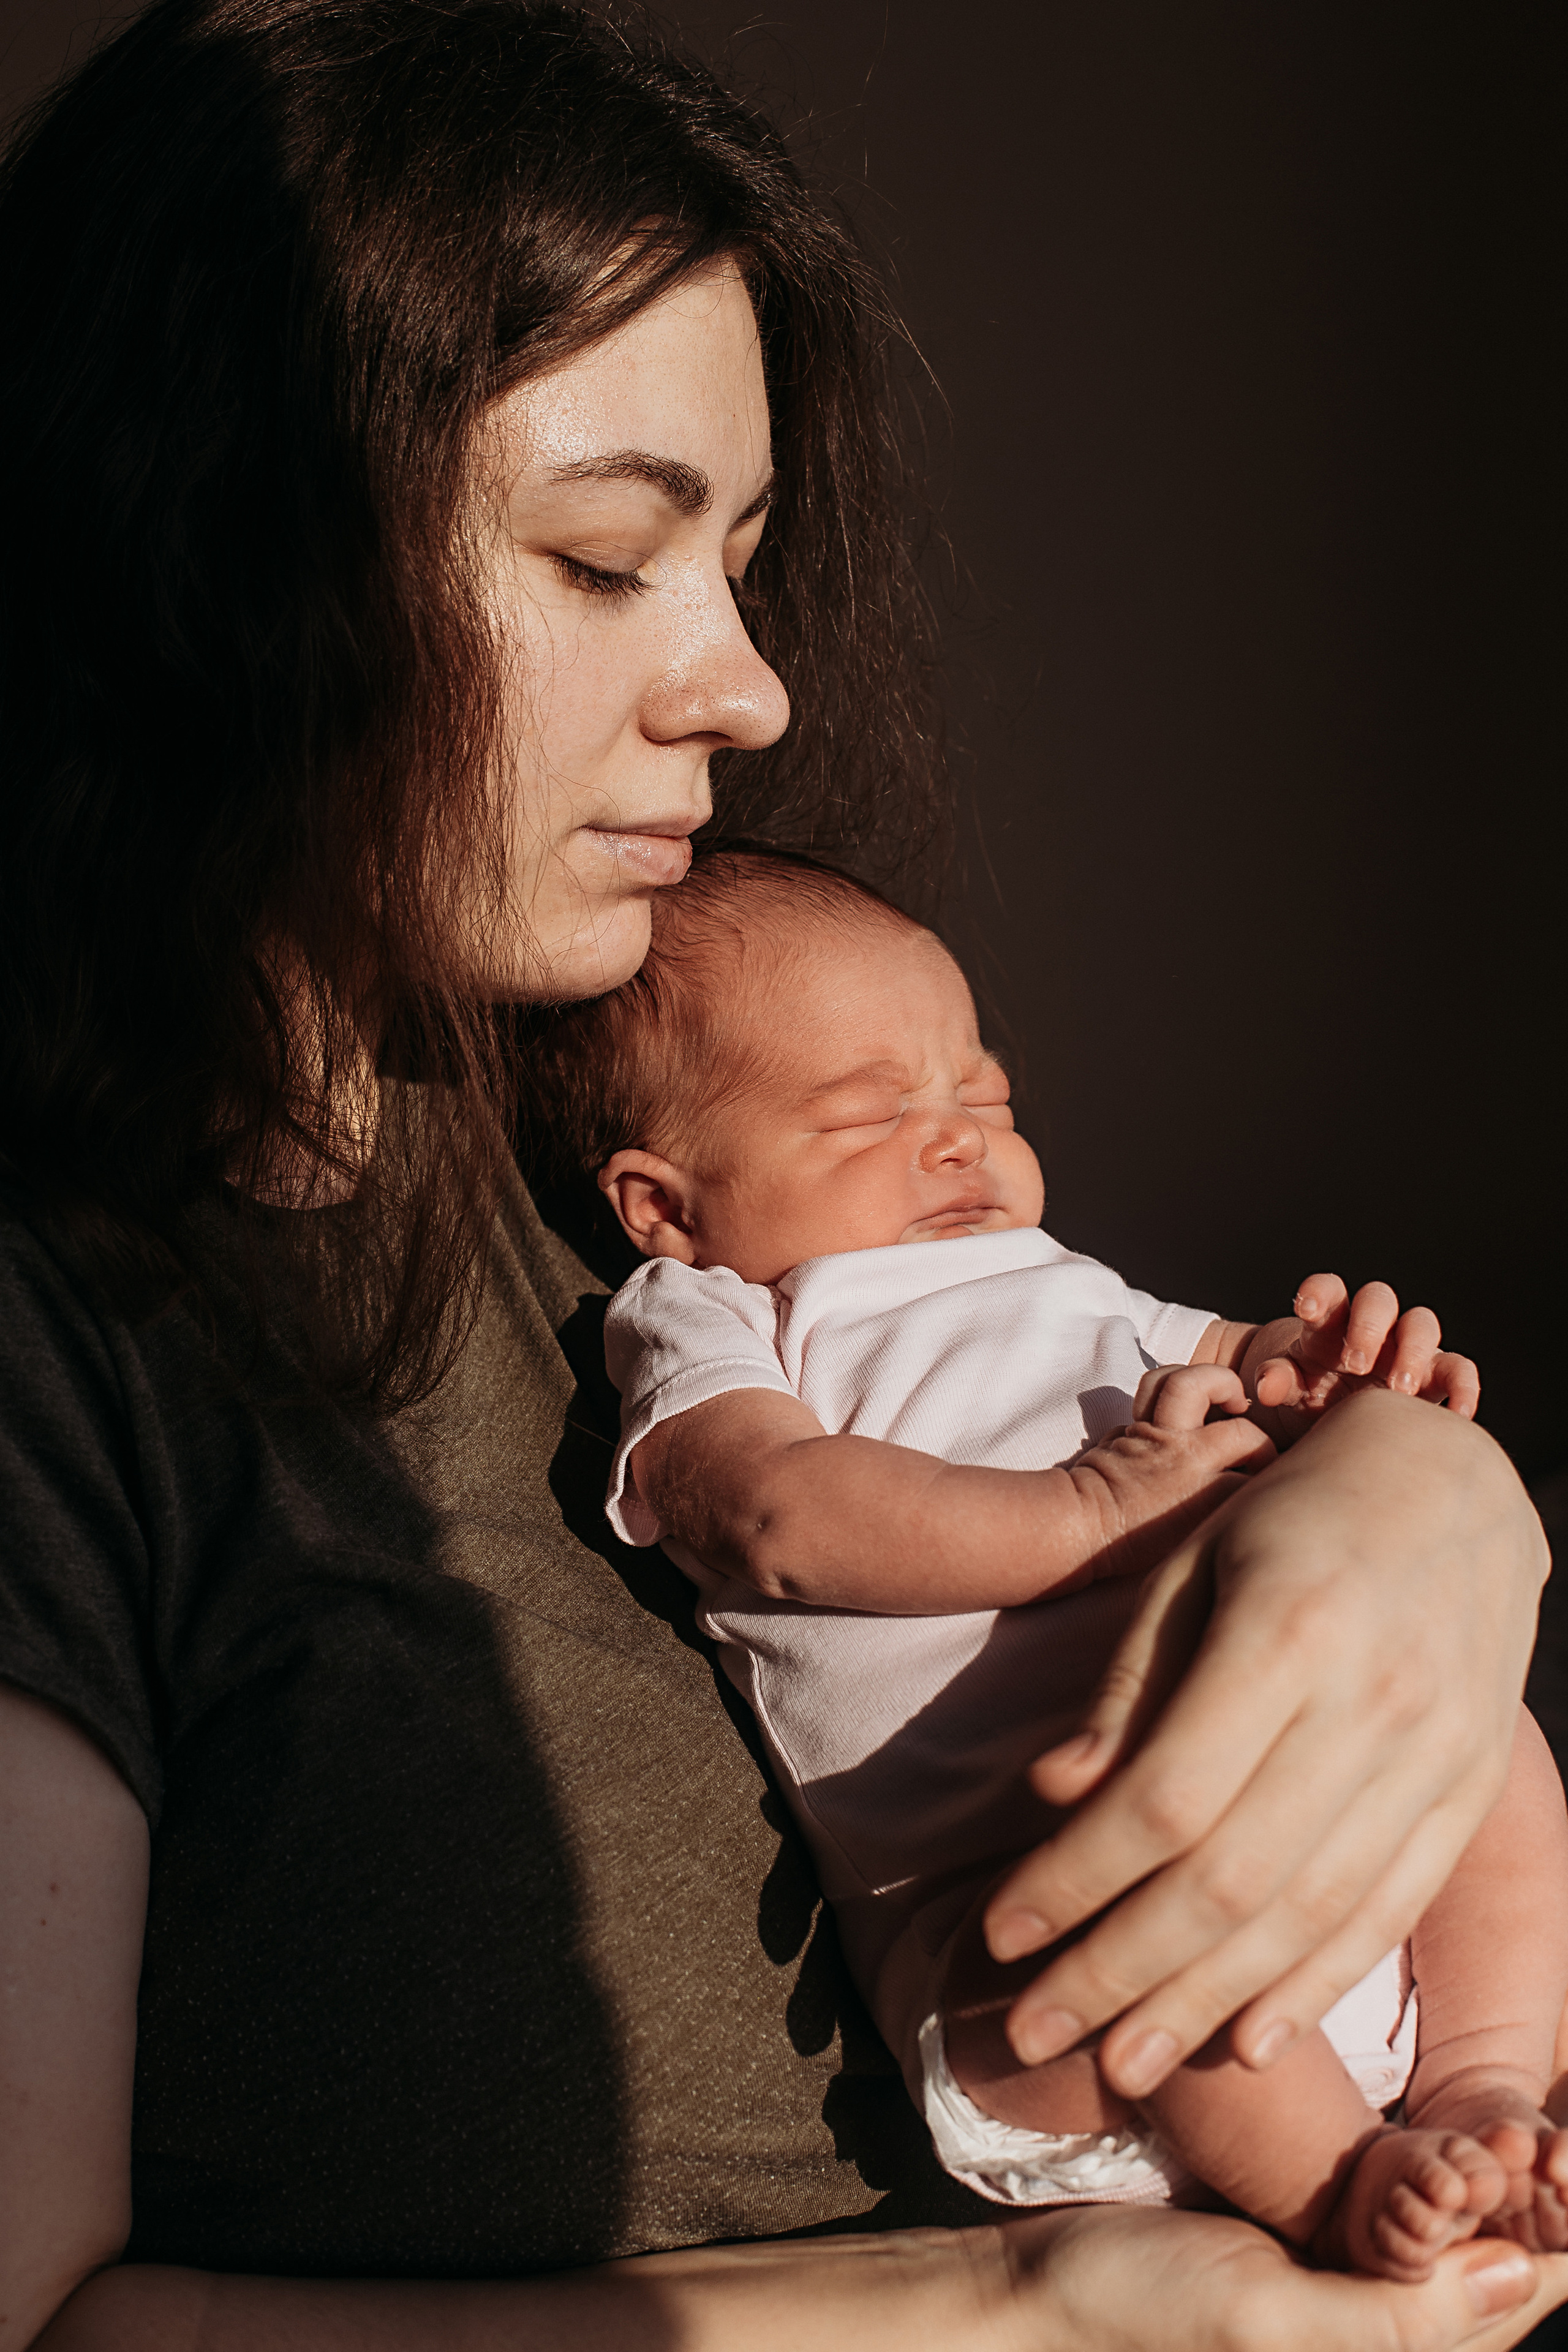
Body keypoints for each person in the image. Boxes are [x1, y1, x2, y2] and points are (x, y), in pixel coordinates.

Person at [0, 1, 1561, 2345]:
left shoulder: (649, 1177)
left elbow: (1118, 1392)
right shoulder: (68, 1353)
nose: (753, 692)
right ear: (218, 562)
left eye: (740, 554)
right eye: (609, 555)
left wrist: (1440, 1520)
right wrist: (1034, 2313)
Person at [548, 845, 1568, 2277]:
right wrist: (1089, 1514)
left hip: (1295, 1825)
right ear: (665, 1205)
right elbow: (768, 1516)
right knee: (1122, 1935)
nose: (957, 1137)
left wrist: (1315, 1370)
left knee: (1488, 1743)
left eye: (981, 1096)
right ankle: (1345, 2183)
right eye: (866, 1116)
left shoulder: (1053, 1278)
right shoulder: (707, 1313)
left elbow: (1227, 1355)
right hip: (1019, 1934)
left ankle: (1483, 2086)